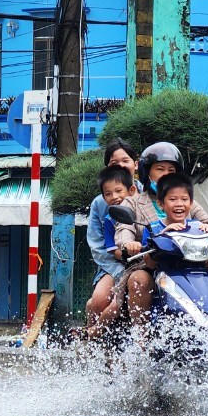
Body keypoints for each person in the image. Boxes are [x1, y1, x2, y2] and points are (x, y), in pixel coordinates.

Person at [113, 142, 208, 325]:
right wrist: (129, 244)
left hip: (190, 263)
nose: (166, 174)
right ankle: (142, 338)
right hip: (149, 265)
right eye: (160, 169)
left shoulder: (189, 203)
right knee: (139, 280)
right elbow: (124, 230)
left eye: (171, 170)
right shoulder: (133, 203)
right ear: (147, 172)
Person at [85, 139, 140, 337]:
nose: (121, 166)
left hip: (147, 261)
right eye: (114, 163)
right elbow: (98, 246)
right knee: (99, 301)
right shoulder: (101, 203)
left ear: (136, 163)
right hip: (114, 264)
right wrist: (119, 271)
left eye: (125, 161)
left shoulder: (149, 195)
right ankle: (92, 340)